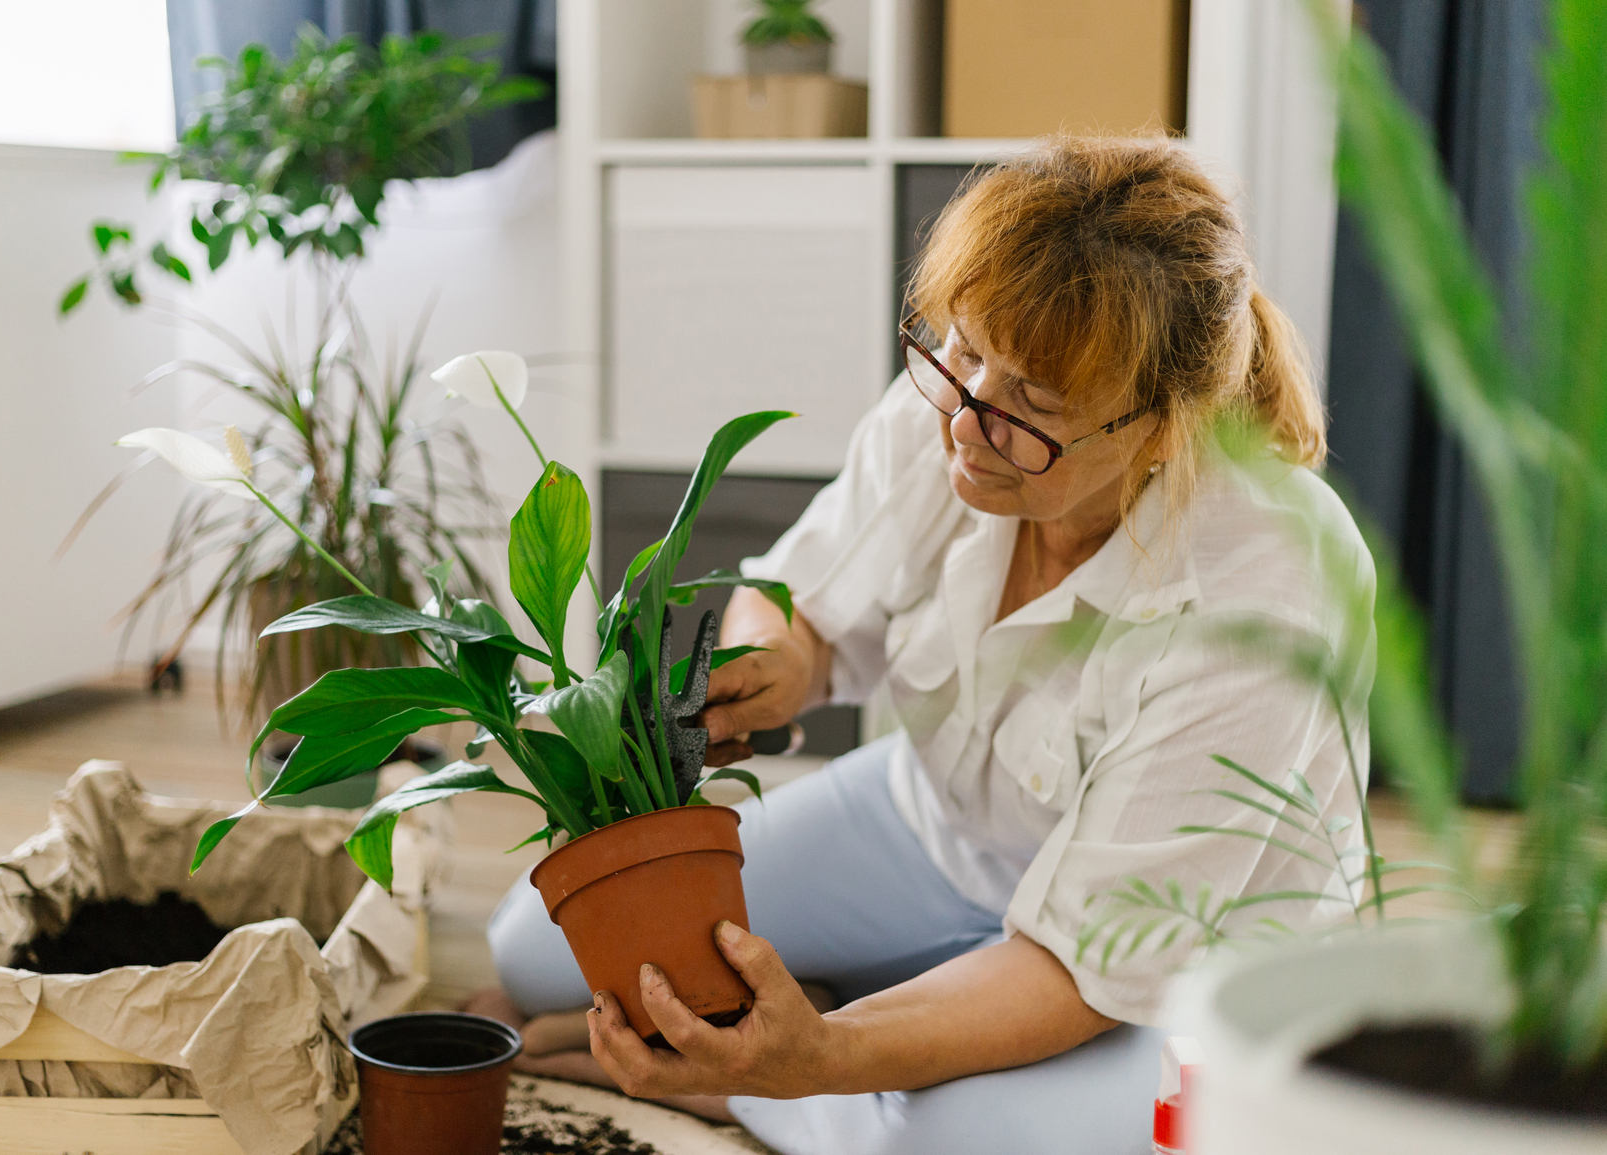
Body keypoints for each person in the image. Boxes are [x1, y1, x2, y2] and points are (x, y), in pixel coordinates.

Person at [474, 136, 1376, 1154]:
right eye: (959, 345)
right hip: (937, 830)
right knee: (537, 951)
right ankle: (860, 1019)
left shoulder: (1265, 582)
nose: (964, 419)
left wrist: (812, 1055)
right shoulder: (957, 407)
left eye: (1033, 404)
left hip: (1167, 961)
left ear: (1164, 426)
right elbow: (803, 604)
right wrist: (773, 662)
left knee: (935, 1139)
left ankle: (752, 1085)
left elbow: (1070, 971)